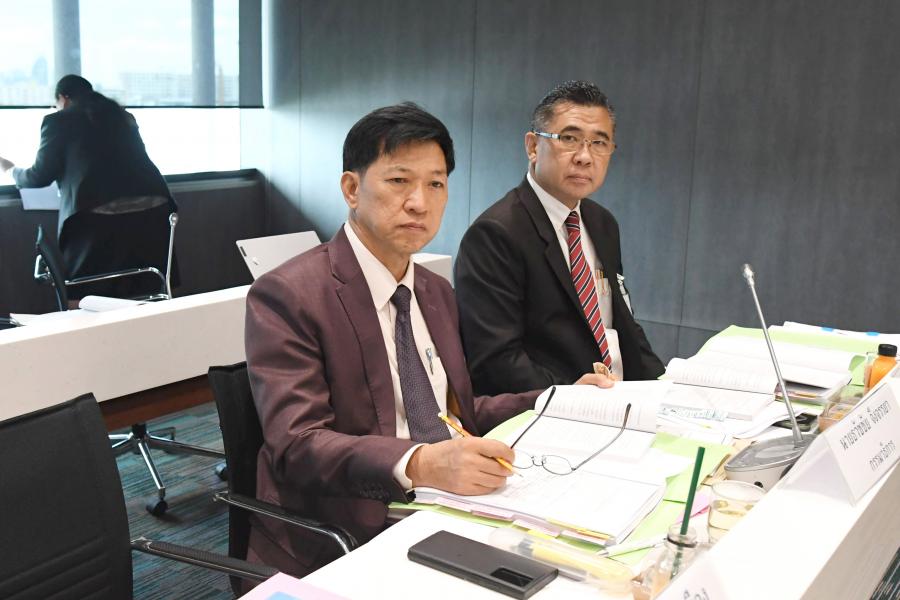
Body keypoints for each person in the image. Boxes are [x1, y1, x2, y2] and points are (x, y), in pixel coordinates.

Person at [243, 102, 613, 578]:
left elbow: (457, 413)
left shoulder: (434, 291)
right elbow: (298, 445)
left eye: (436, 184)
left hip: (444, 506)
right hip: (345, 529)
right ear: (352, 189)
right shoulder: (289, 295)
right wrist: (420, 463)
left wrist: (555, 399)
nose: (419, 202)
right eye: (399, 181)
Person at [454, 81, 664, 395]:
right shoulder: (496, 234)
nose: (585, 157)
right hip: (553, 406)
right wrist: (568, 395)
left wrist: (663, 387)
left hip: (618, 396)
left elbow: (621, 322)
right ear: (532, 146)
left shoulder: (602, 222)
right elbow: (495, 360)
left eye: (599, 143)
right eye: (569, 139)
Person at [0, 75, 177, 299]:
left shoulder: (58, 120)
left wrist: (10, 170)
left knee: (86, 292)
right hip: (154, 210)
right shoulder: (121, 115)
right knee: (150, 287)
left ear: (63, 99)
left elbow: (38, 176)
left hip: (97, 219)